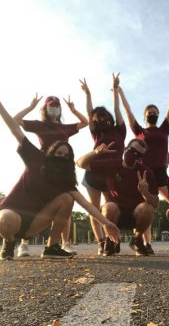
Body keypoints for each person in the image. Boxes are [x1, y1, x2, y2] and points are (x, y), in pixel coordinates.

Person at [0, 102, 120, 260]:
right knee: (6, 218)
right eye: (59, 153)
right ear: (51, 152)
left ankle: (51, 247)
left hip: (35, 222)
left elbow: (86, 204)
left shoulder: (64, 181)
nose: (61, 157)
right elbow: (14, 128)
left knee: (67, 199)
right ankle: (9, 243)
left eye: (66, 156)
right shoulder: (35, 157)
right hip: (12, 215)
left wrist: (106, 223)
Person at [13, 92, 89, 257]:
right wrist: (31, 106)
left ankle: (64, 243)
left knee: (67, 201)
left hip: (61, 169)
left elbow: (85, 122)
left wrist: (74, 110)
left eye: (57, 106)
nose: (54, 108)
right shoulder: (40, 125)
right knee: (34, 201)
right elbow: (15, 120)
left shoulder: (64, 128)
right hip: (41, 166)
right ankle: (23, 244)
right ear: (45, 109)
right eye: (51, 105)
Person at [117, 72, 169, 253]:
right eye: (150, 113)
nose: (153, 114)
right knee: (145, 206)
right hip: (143, 173)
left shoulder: (164, 129)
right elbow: (128, 111)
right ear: (145, 115)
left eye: (155, 113)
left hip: (161, 172)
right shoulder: (138, 130)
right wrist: (119, 90)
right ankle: (145, 243)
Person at [76, 138, 159, 256]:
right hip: (115, 215)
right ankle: (111, 241)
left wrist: (146, 193)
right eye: (132, 151)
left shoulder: (146, 172)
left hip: (136, 216)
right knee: (109, 207)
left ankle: (137, 239)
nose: (134, 155)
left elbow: (155, 203)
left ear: (142, 158)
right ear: (125, 149)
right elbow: (80, 163)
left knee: (147, 208)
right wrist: (96, 152)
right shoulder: (112, 164)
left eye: (139, 155)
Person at [79, 73, 126, 255]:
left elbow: (116, 109)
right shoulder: (96, 133)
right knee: (94, 208)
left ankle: (113, 239)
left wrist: (115, 90)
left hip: (112, 172)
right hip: (93, 170)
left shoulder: (120, 130)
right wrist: (88, 95)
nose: (102, 119)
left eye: (105, 116)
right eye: (99, 117)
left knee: (110, 208)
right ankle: (102, 241)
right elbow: (89, 114)